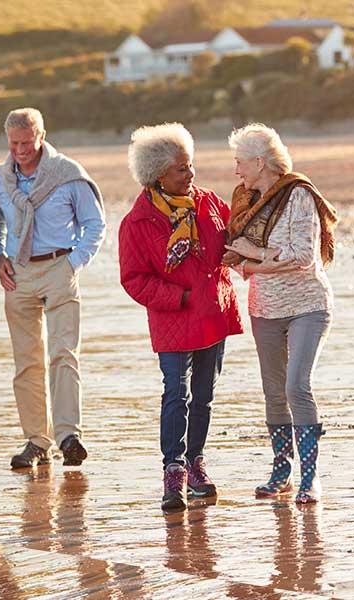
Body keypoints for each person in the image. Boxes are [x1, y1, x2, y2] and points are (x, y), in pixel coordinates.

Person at [118, 123, 243, 511]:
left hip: (213, 316)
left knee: (203, 397)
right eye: (181, 169)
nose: (191, 175)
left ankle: (196, 464)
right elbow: (134, 279)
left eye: (190, 166)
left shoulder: (209, 203)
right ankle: (172, 468)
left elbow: (237, 236)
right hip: (175, 320)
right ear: (158, 175)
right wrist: (181, 296)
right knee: (177, 394)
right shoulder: (137, 222)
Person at [224, 122, 338, 504]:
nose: (236, 170)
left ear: (260, 161)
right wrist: (258, 258)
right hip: (265, 307)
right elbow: (232, 259)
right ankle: (281, 472)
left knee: (296, 387)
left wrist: (254, 255)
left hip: (308, 305)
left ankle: (311, 478)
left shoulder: (298, 195)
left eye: (240, 162)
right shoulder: (245, 202)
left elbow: (304, 258)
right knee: (274, 392)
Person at [0, 108, 106, 469]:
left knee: (63, 355)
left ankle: (68, 435)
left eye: (26, 142)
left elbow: (94, 224)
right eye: (13, 143)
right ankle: (36, 441)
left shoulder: (67, 174)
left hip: (59, 265)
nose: (20, 150)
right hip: (19, 273)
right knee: (26, 362)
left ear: (41, 136)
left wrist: (72, 264)